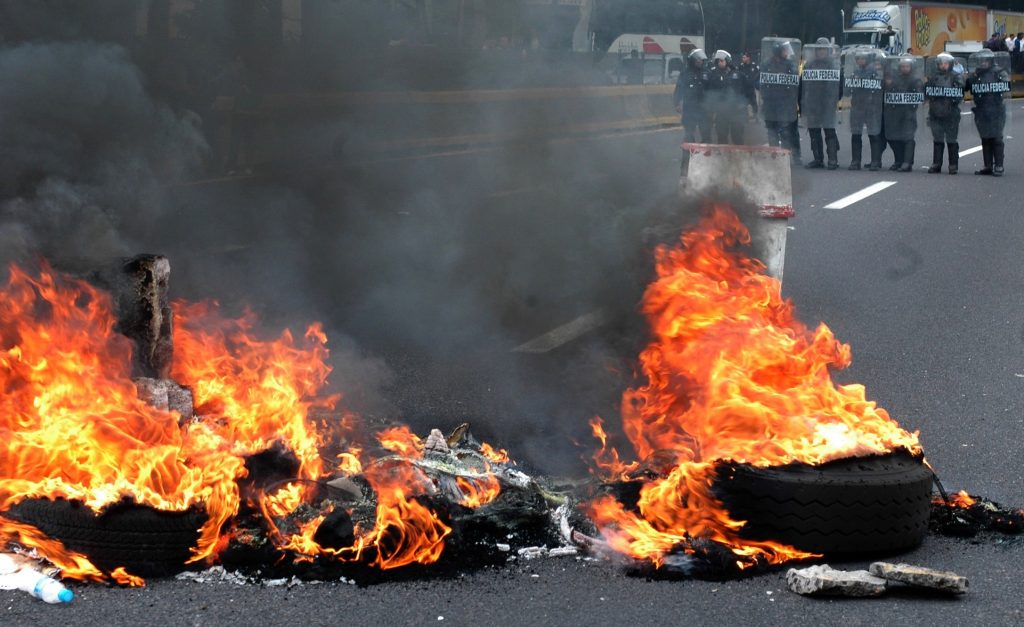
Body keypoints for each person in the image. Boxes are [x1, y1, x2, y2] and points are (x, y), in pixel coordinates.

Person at [966, 49, 1011, 176]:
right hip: (981, 110)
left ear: (991, 61)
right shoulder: (977, 74)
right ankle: (987, 165)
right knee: (985, 138)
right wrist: (972, 77)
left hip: (996, 110)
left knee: (996, 138)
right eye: (981, 60)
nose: (983, 63)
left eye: (986, 60)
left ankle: (999, 165)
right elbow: (965, 88)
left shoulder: (999, 73)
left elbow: (1007, 88)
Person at [800, 38, 842, 169]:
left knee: (829, 131)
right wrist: (802, 104)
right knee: (814, 132)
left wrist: (834, 99)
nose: (821, 52)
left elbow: (840, 86)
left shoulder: (834, 65)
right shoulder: (809, 65)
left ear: (828, 51)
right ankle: (818, 159)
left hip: (828, 104)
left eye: (824, 49)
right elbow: (802, 86)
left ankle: (833, 160)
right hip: (813, 104)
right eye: (819, 49)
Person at [760, 37, 802, 163]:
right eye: (785, 50)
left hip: (786, 103)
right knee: (772, 131)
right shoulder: (766, 65)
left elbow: (796, 83)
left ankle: (792, 156)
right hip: (771, 103)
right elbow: (761, 83)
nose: (787, 52)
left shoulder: (790, 65)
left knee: (788, 132)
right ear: (778, 51)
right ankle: (774, 157)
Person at [845, 47, 886, 170]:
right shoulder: (854, 73)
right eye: (859, 59)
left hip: (872, 107)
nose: (861, 61)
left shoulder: (875, 73)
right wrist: (851, 81)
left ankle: (875, 161)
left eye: (863, 58)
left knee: (873, 134)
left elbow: (880, 89)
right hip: (857, 106)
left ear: (868, 59)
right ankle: (855, 161)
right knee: (856, 134)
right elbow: (847, 92)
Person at [924, 52, 965, 174]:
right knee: (937, 140)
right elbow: (926, 92)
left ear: (951, 64)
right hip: (935, 112)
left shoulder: (956, 77)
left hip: (951, 112)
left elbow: (961, 91)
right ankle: (936, 163)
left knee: (951, 140)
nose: (943, 66)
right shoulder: (933, 77)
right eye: (941, 63)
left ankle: (953, 165)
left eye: (946, 63)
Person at [704, 50, 757, 144]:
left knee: (737, 139)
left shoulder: (738, 75)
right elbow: (709, 93)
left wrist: (753, 107)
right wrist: (710, 110)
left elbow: (749, 90)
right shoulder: (714, 75)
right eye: (718, 61)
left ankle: (737, 158)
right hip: (721, 113)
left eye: (722, 60)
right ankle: (723, 158)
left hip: (737, 113)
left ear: (727, 61)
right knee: (721, 139)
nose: (720, 63)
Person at [883, 55, 924, 172]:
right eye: (902, 66)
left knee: (907, 137)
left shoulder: (915, 80)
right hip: (894, 113)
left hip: (908, 113)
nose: (904, 68)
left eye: (907, 66)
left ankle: (907, 162)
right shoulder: (895, 78)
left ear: (911, 67)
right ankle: (898, 160)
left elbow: (919, 96)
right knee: (893, 138)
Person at [674, 48, 710, 173]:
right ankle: (685, 167)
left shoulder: (706, 73)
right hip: (690, 110)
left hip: (703, 110)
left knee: (707, 137)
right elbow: (678, 89)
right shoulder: (685, 74)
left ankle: (706, 166)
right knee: (688, 137)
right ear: (693, 60)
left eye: (702, 60)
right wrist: (677, 103)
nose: (701, 62)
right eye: (698, 60)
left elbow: (712, 90)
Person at [737, 51, 760, 118]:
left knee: (754, 105)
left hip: (751, 89)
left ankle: (756, 118)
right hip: (743, 89)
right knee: (743, 104)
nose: (742, 59)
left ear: (748, 58)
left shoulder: (754, 65)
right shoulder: (740, 66)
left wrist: (755, 81)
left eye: (744, 57)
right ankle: (745, 118)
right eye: (742, 57)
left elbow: (759, 73)